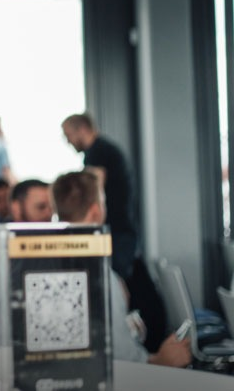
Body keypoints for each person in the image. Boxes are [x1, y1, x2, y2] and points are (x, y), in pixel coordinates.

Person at [51, 172, 191, 368]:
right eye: (103, 201)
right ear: (95, 212)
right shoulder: (101, 277)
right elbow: (126, 364)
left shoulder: (50, 265)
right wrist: (163, 361)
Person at [61, 113, 140, 280]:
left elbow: (90, 191)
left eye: (68, 135)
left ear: (82, 129)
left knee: (114, 283)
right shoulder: (102, 150)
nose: (68, 141)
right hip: (119, 231)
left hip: (116, 234)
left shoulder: (99, 151)